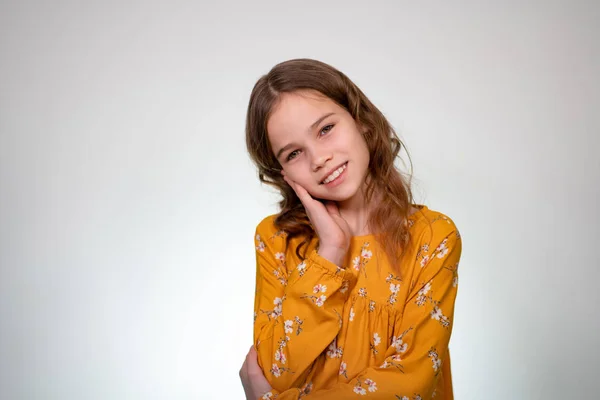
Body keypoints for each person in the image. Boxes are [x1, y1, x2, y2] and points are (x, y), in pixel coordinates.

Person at [239, 59, 462, 399]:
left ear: (362, 122)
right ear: (283, 173)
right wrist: (329, 253)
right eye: (294, 153)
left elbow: (410, 383)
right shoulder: (276, 240)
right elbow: (273, 371)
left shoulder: (432, 237)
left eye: (325, 129)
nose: (318, 159)